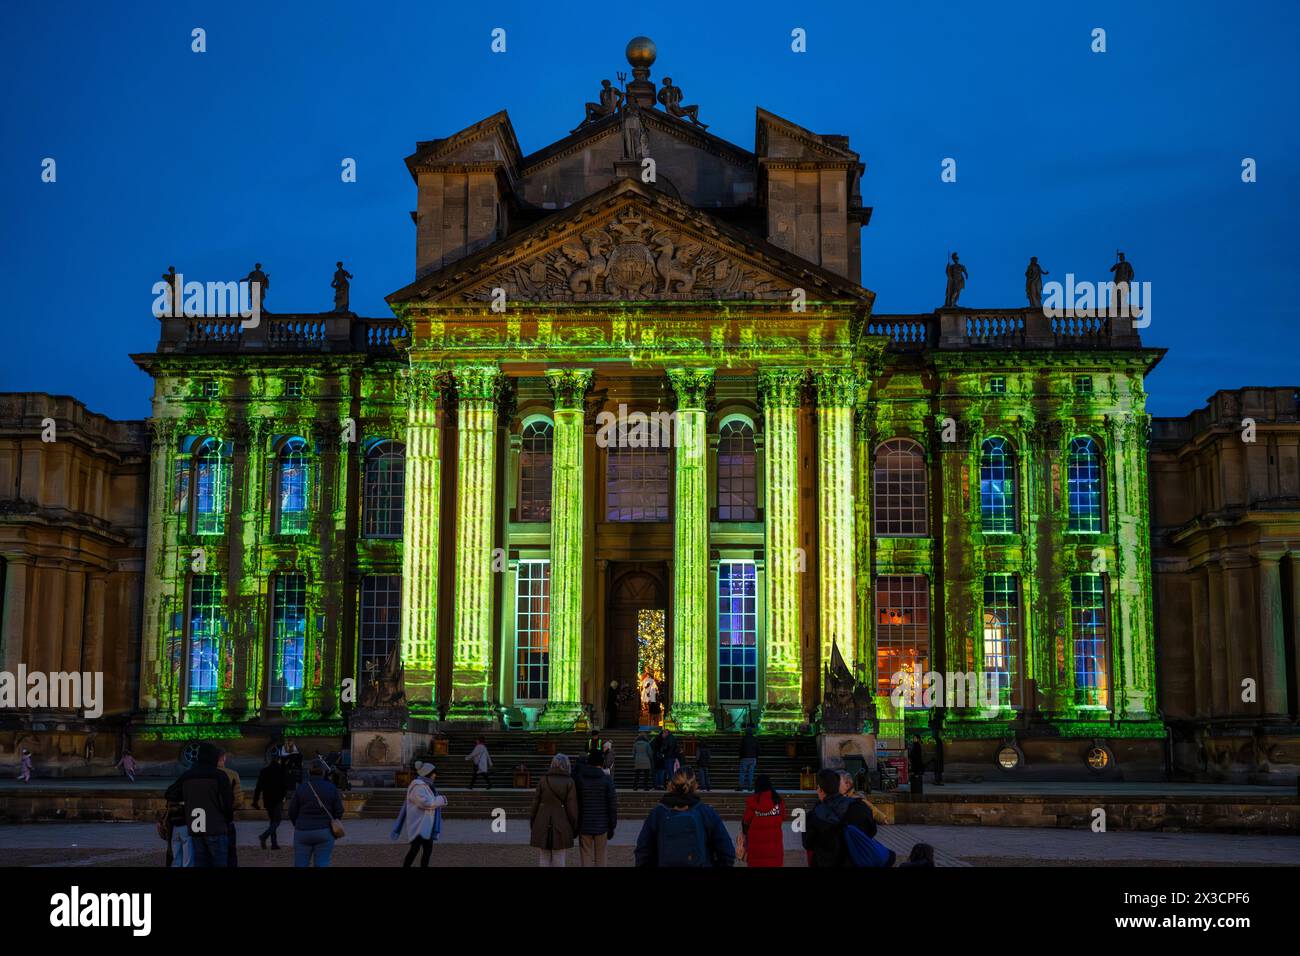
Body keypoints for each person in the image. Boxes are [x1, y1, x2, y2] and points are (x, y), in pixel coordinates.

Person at [634, 769, 734, 868]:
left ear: (670, 785)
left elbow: (643, 851)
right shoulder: (706, 813)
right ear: (695, 786)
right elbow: (726, 850)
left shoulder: (657, 813)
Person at [164, 742, 233, 867]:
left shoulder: (188, 776)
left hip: (196, 828)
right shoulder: (219, 776)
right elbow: (228, 804)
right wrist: (227, 820)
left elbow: (170, 793)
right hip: (215, 827)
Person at [803, 768, 878, 868]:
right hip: (857, 861)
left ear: (820, 789)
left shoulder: (813, 815)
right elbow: (872, 830)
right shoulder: (860, 806)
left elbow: (807, 844)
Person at [288, 763, 343, 867]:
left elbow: (292, 811)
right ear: (323, 773)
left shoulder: (301, 788)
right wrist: (334, 822)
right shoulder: (331, 787)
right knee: (322, 862)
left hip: (303, 830)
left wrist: (298, 824)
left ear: (309, 772)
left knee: (300, 863)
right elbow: (339, 810)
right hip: (324, 829)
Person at [392, 762, 446, 867]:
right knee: (416, 850)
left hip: (425, 824)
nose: (435, 775)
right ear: (428, 773)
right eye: (434, 773)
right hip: (419, 825)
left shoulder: (426, 786)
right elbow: (426, 803)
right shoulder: (418, 787)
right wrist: (441, 799)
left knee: (425, 850)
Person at [530, 753, 579, 867]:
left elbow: (535, 803)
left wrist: (533, 821)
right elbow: (572, 807)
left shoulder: (543, 780)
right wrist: (574, 825)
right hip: (562, 822)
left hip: (542, 820)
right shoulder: (569, 781)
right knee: (559, 855)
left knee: (544, 855)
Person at [575, 750, 618, 866]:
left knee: (585, 857)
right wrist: (612, 825)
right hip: (602, 824)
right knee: (601, 856)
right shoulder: (607, 779)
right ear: (601, 762)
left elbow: (576, 804)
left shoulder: (579, 779)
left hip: (584, 824)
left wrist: (575, 824)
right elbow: (612, 805)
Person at [740, 774, 785, 868]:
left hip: (756, 851)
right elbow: (782, 818)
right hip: (774, 850)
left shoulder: (753, 802)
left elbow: (745, 822)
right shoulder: (778, 802)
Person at [252, 755, 288, 850]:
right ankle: (264, 836)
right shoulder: (281, 770)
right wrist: (284, 796)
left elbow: (258, 787)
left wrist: (255, 800)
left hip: (267, 799)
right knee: (277, 821)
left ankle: (274, 843)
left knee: (273, 821)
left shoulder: (264, 771)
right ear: (279, 761)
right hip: (278, 799)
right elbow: (285, 786)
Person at [217, 751, 242, 867]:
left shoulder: (208, 773)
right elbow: (238, 801)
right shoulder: (232, 774)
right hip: (227, 819)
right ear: (224, 758)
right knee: (231, 853)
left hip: (209, 820)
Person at [908, 733, 925, 798]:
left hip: (916, 762)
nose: (913, 739)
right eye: (913, 738)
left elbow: (915, 754)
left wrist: (910, 756)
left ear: (917, 739)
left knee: (916, 774)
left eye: (915, 738)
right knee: (916, 774)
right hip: (917, 762)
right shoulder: (918, 745)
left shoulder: (916, 745)